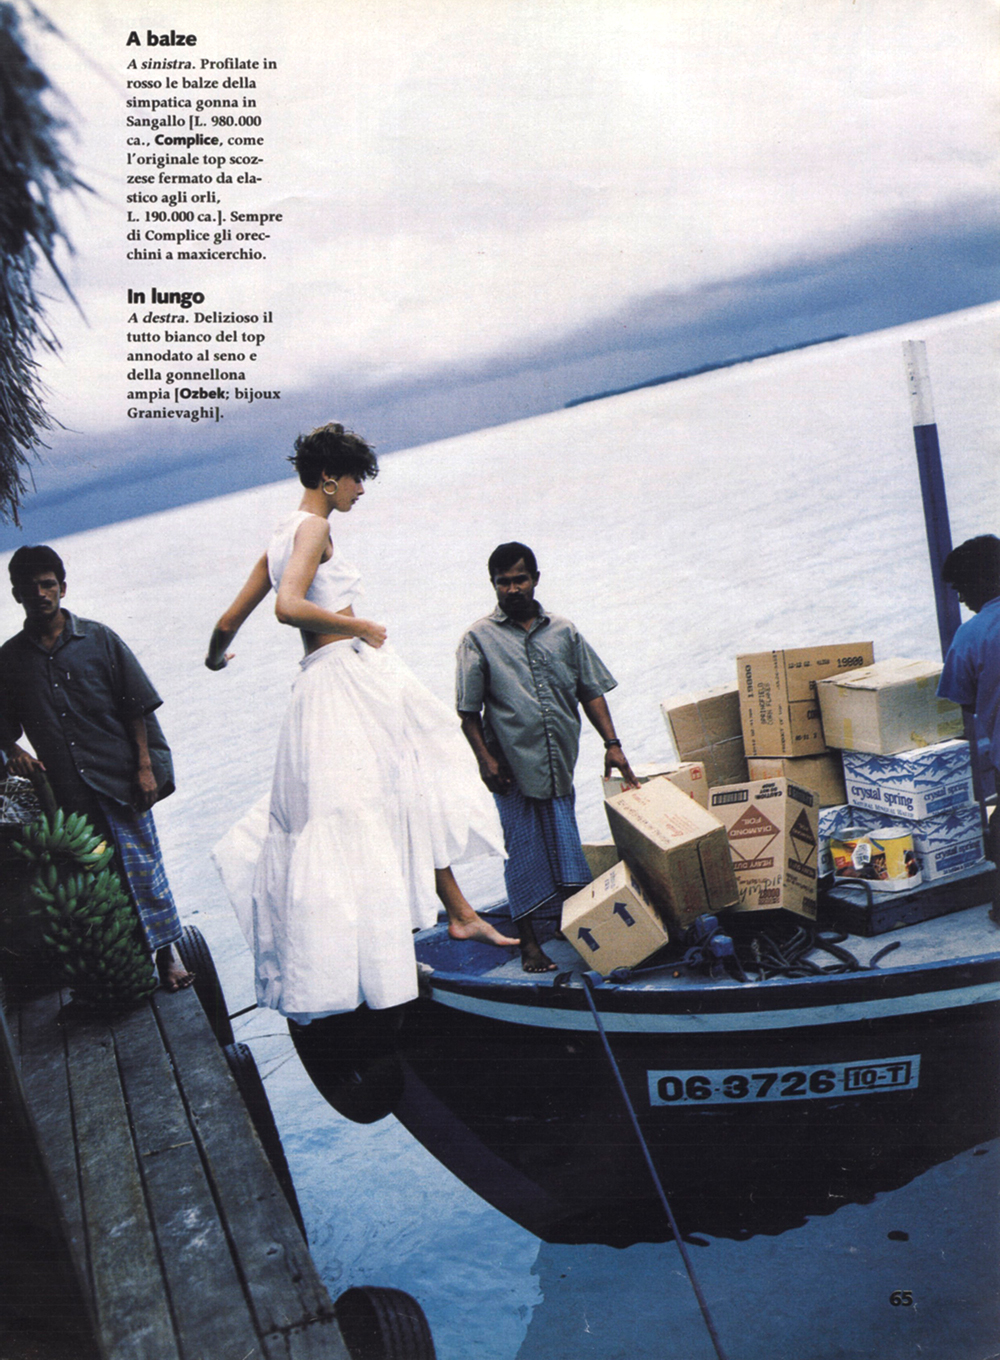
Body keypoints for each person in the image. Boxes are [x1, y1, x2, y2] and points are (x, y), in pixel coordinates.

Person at [206, 422, 515, 1024]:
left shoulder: (280, 534)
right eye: (355, 479)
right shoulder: (313, 527)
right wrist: (360, 626)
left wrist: (216, 659)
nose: (361, 490)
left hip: (324, 683)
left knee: (401, 792)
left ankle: (458, 914)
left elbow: (227, 622)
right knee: (376, 806)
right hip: (343, 678)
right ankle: (393, 949)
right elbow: (287, 607)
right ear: (329, 477)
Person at [0, 545, 190, 990]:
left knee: (143, 867)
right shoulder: (9, 660)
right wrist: (13, 749)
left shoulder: (99, 639)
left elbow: (136, 705)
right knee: (95, 879)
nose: (40, 593)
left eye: (48, 584)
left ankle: (168, 955)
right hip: (66, 791)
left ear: (62, 588)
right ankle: (125, 965)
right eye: (30, 587)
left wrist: (145, 767)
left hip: (121, 776)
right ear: (16, 595)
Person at [456, 542, 637, 971]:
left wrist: (612, 744)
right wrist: (485, 761)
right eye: (503, 582)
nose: (513, 589)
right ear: (493, 585)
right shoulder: (478, 639)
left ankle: (566, 925)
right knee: (522, 853)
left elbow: (590, 691)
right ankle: (529, 946)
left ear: (535, 579)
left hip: (558, 763)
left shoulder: (564, 631)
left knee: (565, 845)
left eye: (520, 579)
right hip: (511, 769)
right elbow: (468, 713)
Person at [937, 533, 1000, 912]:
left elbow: (962, 701)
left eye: (962, 587)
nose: (961, 598)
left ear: (986, 580)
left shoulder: (972, 634)